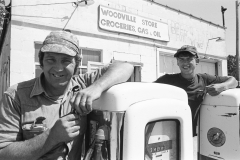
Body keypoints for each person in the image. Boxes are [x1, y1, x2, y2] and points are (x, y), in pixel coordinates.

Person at [0, 30, 134, 160]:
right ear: (41, 62)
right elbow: (3, 153)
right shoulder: (16, 96)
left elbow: (126, 67)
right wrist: (51, 137)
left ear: (77, 64)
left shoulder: (83, 84)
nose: (58, 68)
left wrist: (96, 87)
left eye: (66, 61)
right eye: (51, 60)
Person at [154, 45, 237, 136]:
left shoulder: (204, 79)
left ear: (197, 61)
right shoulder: (167, 80)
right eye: (181, 59)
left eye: (189, 59)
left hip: (196, 136)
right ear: (177, 62)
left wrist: (222, 86)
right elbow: (147, 91)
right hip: (171, 134)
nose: (185, 63)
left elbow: (233, 81)